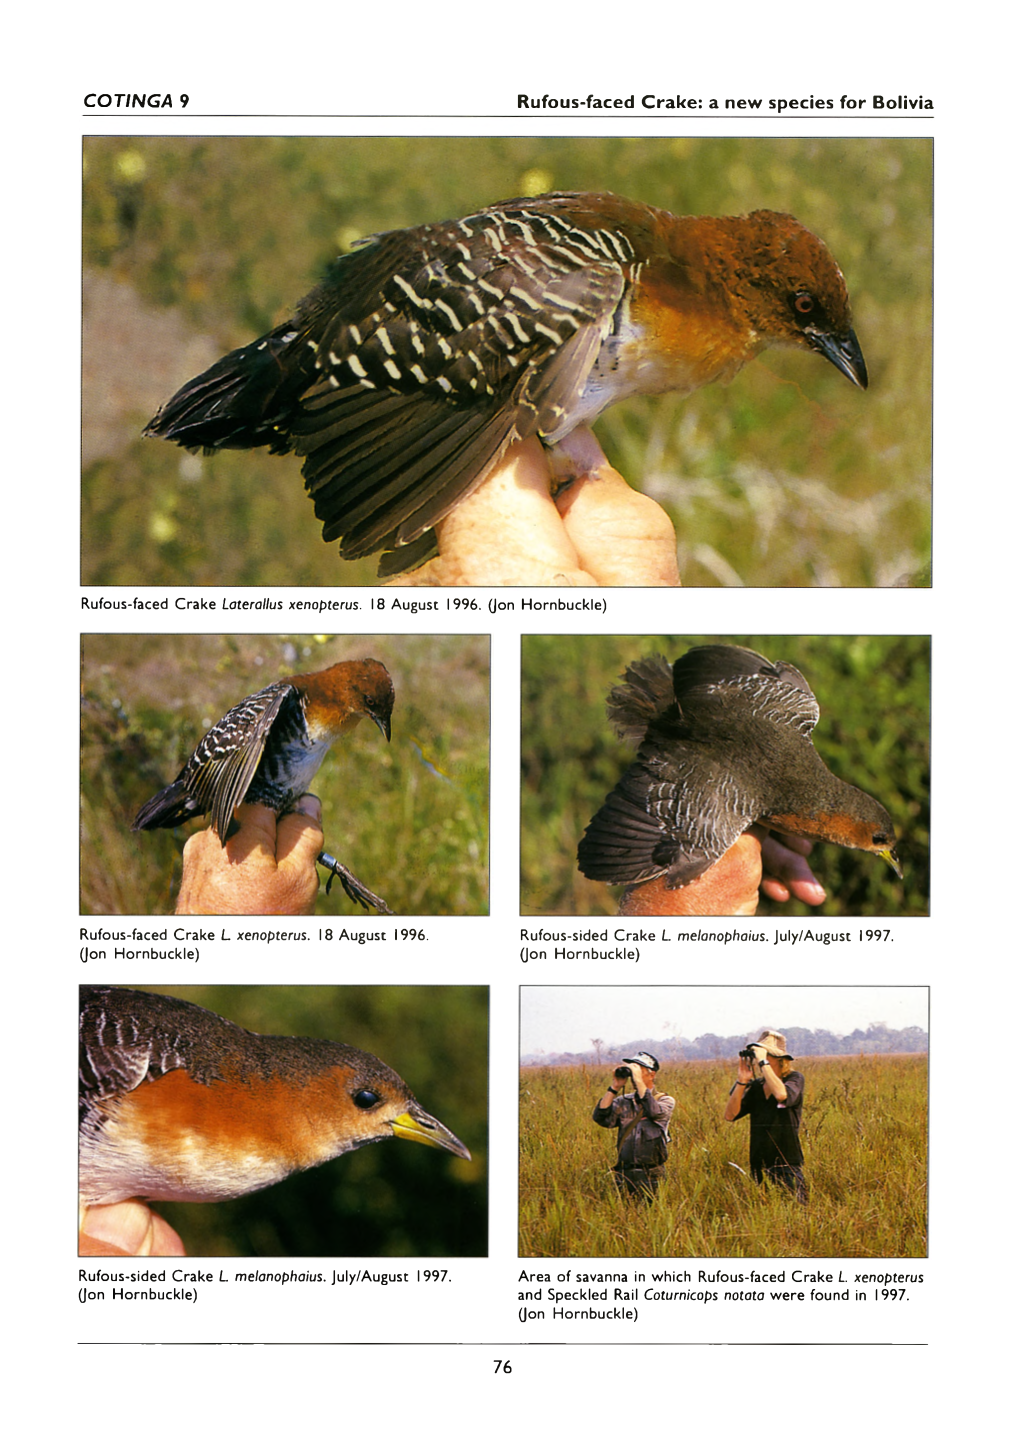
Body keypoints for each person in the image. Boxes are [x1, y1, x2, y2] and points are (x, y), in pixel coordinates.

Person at [724, 1029, 808, 1202]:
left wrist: (763, 1062)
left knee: (796, 1213)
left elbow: (782, 1095)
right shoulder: (756, 1087)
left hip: (787, 1163)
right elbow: (730, 1115)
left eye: (764, 1055)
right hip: (759, 1164)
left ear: (778, 1059)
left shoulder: (794, 1079)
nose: (757, 1060)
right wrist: (742, 1081)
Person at [593, 1052, 675, 1199]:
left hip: (652, 1173)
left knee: (652, 1214)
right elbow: (602, 1119)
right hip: (625, 1172)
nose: (633, 1075)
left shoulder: (665, 1101)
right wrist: (614, 1087)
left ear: (652, 1075)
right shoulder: (624, 1101)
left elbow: (654, 1111)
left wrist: (639, 1081)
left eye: (639, 1070)